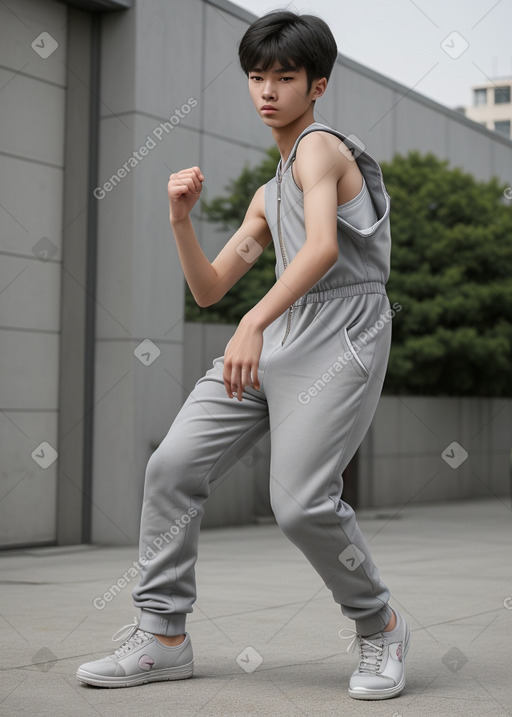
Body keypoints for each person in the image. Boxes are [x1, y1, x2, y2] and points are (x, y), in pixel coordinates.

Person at [76, 9, 410, 701]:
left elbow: (320, 249)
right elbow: (209, 287)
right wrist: (180, 218)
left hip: (340, 333)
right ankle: (163, 636)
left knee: (299, 503)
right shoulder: (266, 192)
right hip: (279, 335)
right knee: (172, 466)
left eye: (284, 77)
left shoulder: (321, 149)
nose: (267, 92)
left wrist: (253, 321)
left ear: (317, 85)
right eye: (257, 77)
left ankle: (381, 624)